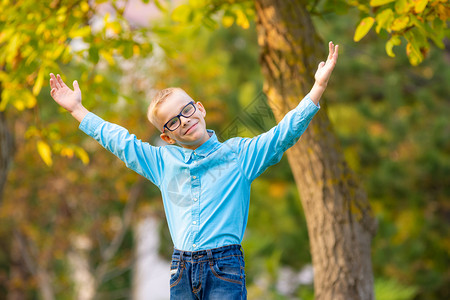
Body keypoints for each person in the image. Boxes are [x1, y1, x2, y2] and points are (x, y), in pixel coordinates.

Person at [50, 41, 339, 300]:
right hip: (181, 271)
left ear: (199, 108)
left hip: (225, 268)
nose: (184, 121)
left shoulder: (239, 155)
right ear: (167, 136)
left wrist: (317, 88)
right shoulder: (162, 163)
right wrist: (78, 110)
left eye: (186, 110)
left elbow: (282, 134)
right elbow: (120, 142)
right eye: (172, 122)